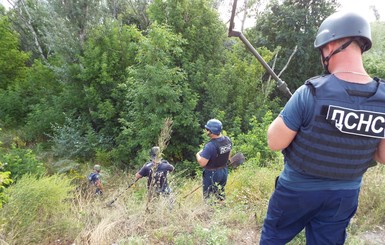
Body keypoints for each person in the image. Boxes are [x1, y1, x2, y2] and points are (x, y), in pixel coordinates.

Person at [260, 11, 385, 244]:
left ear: (332, 45)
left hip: (296, 191)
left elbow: (274, 142)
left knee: (274, 238)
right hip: (344, 195)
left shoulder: (310, 92)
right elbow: (383, 156)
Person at [196, 119, 232, 202]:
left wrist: (197, 155)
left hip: (212, 174)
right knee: (220, 193)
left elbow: (202, 163)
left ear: (211, 131)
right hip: (224, 171)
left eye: (207, 129)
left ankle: (210, 213)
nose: (206, 131)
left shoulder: (210, 146)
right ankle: (222, 211)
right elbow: (229, 155)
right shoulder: (227, 140)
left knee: (208, 197)